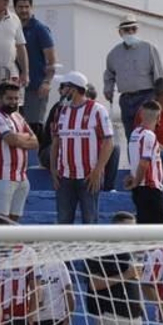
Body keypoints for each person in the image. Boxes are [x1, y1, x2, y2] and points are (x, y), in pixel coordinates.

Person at [49, 72, 113, 225]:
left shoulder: (97, 110)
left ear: (73, 89)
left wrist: (98, 171)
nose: (61, 91)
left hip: (88, 176)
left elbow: (108, 142)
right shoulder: (62, 111)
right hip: (64, 176)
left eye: (63, 87)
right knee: (63, 221)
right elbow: (56, 142)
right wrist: (53, 169)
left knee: (90, 221)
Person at [101, 15, 161, 144]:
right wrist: (108, 89)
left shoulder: (148, 48)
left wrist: (158, 99)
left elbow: (159, 74)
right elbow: (109, 74)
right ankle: (133, 163)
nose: (130, 32)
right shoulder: (114, 54)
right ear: (120, 32)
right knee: (131, 136)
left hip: (146, 96)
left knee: (146, 134)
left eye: (133, 29)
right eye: (127, 30)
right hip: (126, 99)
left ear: (137, 30)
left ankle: (148, 162)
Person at [0, 83, 35, 224]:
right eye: (9, 98)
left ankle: (10, 246)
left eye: (15, 99)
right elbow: (10, 139)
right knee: (0, 220)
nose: (13, 102)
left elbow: (35, 142)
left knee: (14, 219)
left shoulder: (18, 116)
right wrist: (22, 137)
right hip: (2, 176)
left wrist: (17, 138)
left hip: (21, 176)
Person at [12, 0, 55, 136]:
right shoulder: (12, 27)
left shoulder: (40, 29)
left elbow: (52, 60)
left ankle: (36, 158)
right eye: (20, 7)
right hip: (14, 89)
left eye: (26, 7)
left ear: (31, 8)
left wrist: (47, 82)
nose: (24, 10)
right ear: (14, 8)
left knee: (34, 128)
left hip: (36, 88)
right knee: (16, 127)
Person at [124, 100, 163, 225]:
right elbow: (144, 162)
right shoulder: (149, 135)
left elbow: (136, 160)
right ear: (159, 117)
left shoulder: (134, 134)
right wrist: (136, 182)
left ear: (141, 115)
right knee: (158, 231)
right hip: (150, 188)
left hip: (140, 189)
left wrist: (134, 179)